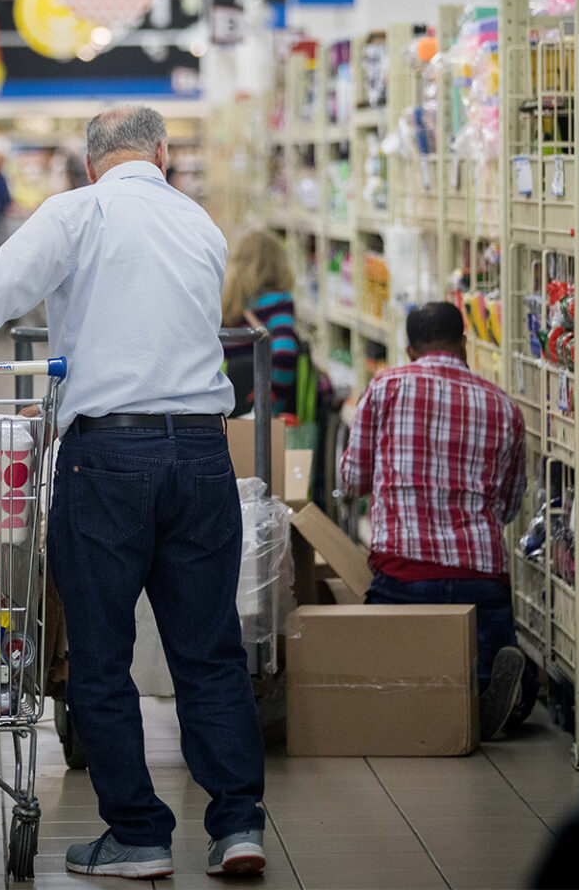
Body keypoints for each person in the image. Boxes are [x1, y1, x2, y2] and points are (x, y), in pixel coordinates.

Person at [0, 106, 267, 880]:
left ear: (91, 161)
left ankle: (139, 836)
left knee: (101, 656)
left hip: (109, 457)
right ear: (163, 154)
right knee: (209, 652)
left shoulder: (79, 210)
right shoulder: (200, 222)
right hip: (204, 452)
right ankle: (238, 828)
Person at [339, 302, 537, 739]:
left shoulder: (386, 386)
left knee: (397, 676)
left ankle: (417, 688)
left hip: (402, 577)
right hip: (481, 578)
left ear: (410, 350)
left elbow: (353, 480)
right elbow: (507, 506)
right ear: (464, 344)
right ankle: (491, 686)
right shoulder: (505, 406)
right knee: (488, 663)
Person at [221, 230, 300, 416]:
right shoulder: (278, 302)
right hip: (259, 416)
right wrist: (273, 401)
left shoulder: (223, 303)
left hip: (223, 412)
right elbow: (284, 352)